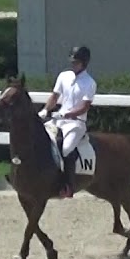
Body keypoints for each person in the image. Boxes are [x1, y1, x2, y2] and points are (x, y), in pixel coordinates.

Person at [39, 45, 97, 198]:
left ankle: (67, 185)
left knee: (65, 149)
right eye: (72, 62)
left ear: (84, 63)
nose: (73, 65)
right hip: (58, 119)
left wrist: (68, 115)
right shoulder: (63, 76)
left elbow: (84, 107)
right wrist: (45, 110)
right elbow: (54, 96)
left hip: (76, 123)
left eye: (76, 62)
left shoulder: (89, 83)